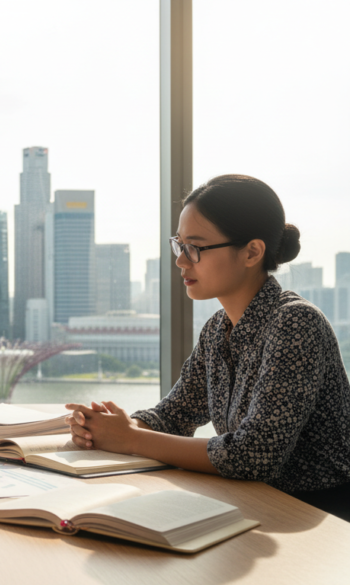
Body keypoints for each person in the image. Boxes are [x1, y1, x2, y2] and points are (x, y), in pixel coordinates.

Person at [65, 174, 350, 520]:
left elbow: (253, 455)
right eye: (179, 245)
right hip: (253, 505)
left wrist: (130, 439)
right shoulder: (217, 329)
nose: (181, 261)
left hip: (321, 517)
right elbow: (174, 416)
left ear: (252, 252)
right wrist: (110, 428)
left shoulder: (296, 323)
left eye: (195, 248)